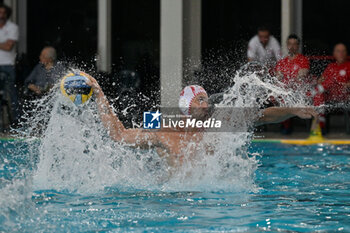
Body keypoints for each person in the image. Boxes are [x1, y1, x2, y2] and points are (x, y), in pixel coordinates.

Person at [86, 75, 317, 169]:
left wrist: (294, 110)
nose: (207, 105)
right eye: (200, 101)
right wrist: (98, 93)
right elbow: (118, 134)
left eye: (206, 100)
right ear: (186, 108)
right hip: (176, 200)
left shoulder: (218, 125)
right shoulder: (162, 130)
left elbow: (263, 115)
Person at [310, 43, 350, 136]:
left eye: (343, 51)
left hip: (344, 95)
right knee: (319, 94)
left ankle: (310, 93)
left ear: (346, 53)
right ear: (334, 54)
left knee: (331, 81)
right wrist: (319, 80)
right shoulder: (331, 67)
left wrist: (346, 84)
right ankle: (321, 125)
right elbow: (321, 80)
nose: (341, 53)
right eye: (338, 51)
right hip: (330, 95)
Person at [275, 34, 310, 134]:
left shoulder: (303, 60)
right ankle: (286, 125)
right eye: (290, 44)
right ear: (287, 45)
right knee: (283, 96)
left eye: (294, 44)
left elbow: (302, 75)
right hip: (286, 91)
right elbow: (278, 78)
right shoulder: (282, 62)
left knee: (288, 95)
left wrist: (288, 79)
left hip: (299, 90)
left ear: (298, 46)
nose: (292, 46)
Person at [0, 4, 19, 123]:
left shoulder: (13, 27)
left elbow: (8, 46)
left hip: (8, 65)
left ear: (7, 14)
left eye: (3, 13)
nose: (1, 15)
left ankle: (17, 122)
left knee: (12, 94)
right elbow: (5, 44)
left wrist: (4, 44)